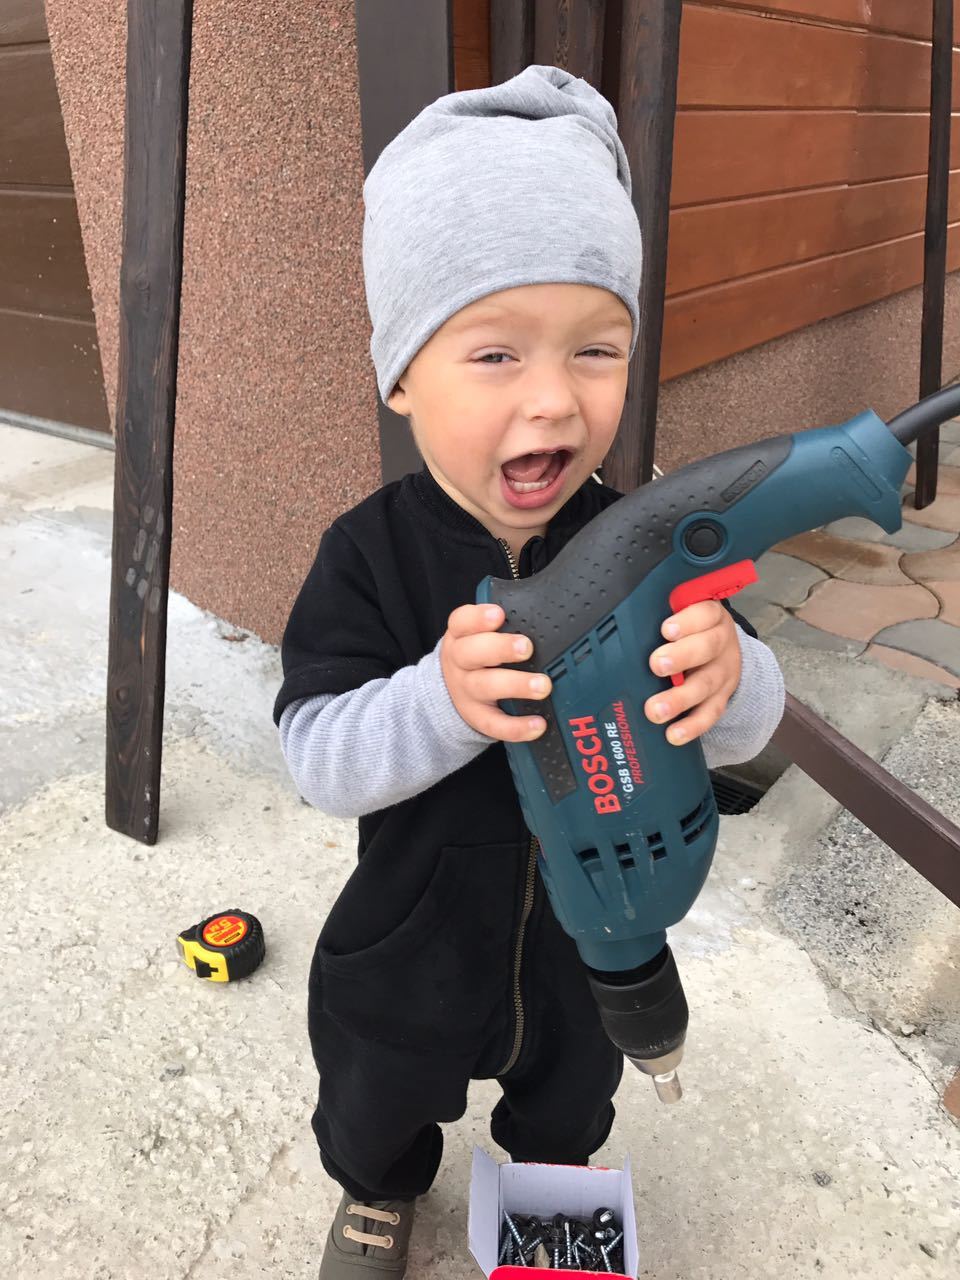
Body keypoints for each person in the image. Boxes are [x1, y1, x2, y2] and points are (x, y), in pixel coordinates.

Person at [273, 65, 785, 1279]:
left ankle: (548, 1201)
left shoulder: (647, 537)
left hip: (586, 934)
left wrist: (729, 682)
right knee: (375, 1078)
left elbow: (756, 720)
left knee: (569, 1089)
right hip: (410, 929)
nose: (555, 398)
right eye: (496, 353)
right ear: (402, 374)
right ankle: (378, 1191)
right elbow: (315, 752)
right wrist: (435, 702)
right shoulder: (369, 552)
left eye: (596, 348)